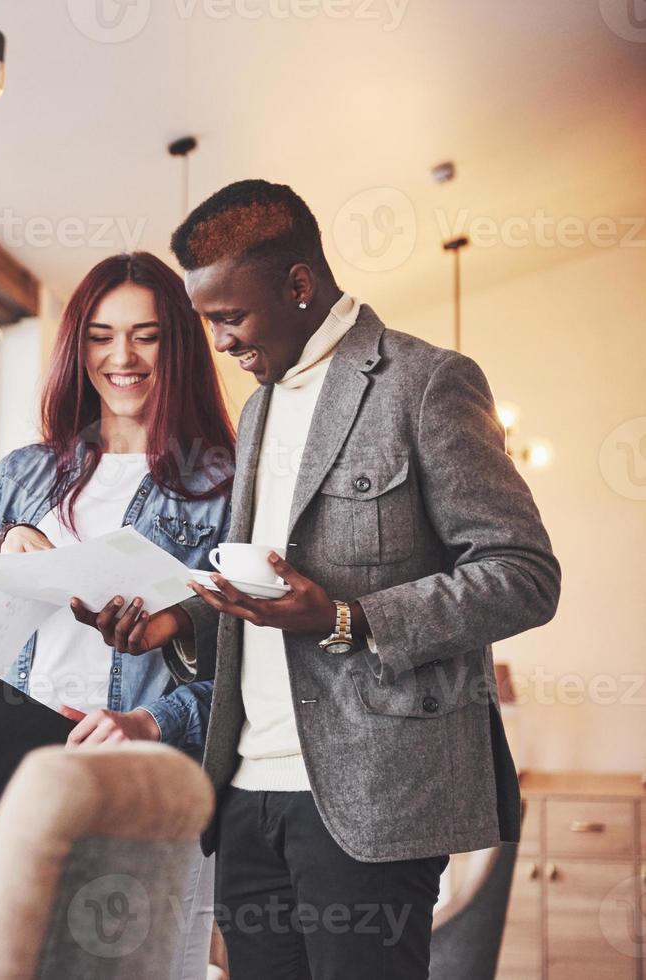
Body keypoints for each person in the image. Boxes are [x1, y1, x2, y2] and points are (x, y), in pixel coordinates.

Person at [139, 179, 556, 978]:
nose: (220, 342)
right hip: (243, 792)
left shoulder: (425, 381)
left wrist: (349, 618)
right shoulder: (259, 407)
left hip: (373, 797)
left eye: (230, 317)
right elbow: (266, 593)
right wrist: (180, 624)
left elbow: (522, 575)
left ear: (297, 285)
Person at [0, 252, 234, 979]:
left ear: (180, 344)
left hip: (146, 792)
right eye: (99, 335)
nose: (120, 356)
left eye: (146, 335)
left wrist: (151, 723)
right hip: (13, 785)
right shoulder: (23, 475)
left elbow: (251, 665)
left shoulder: (224, 483)